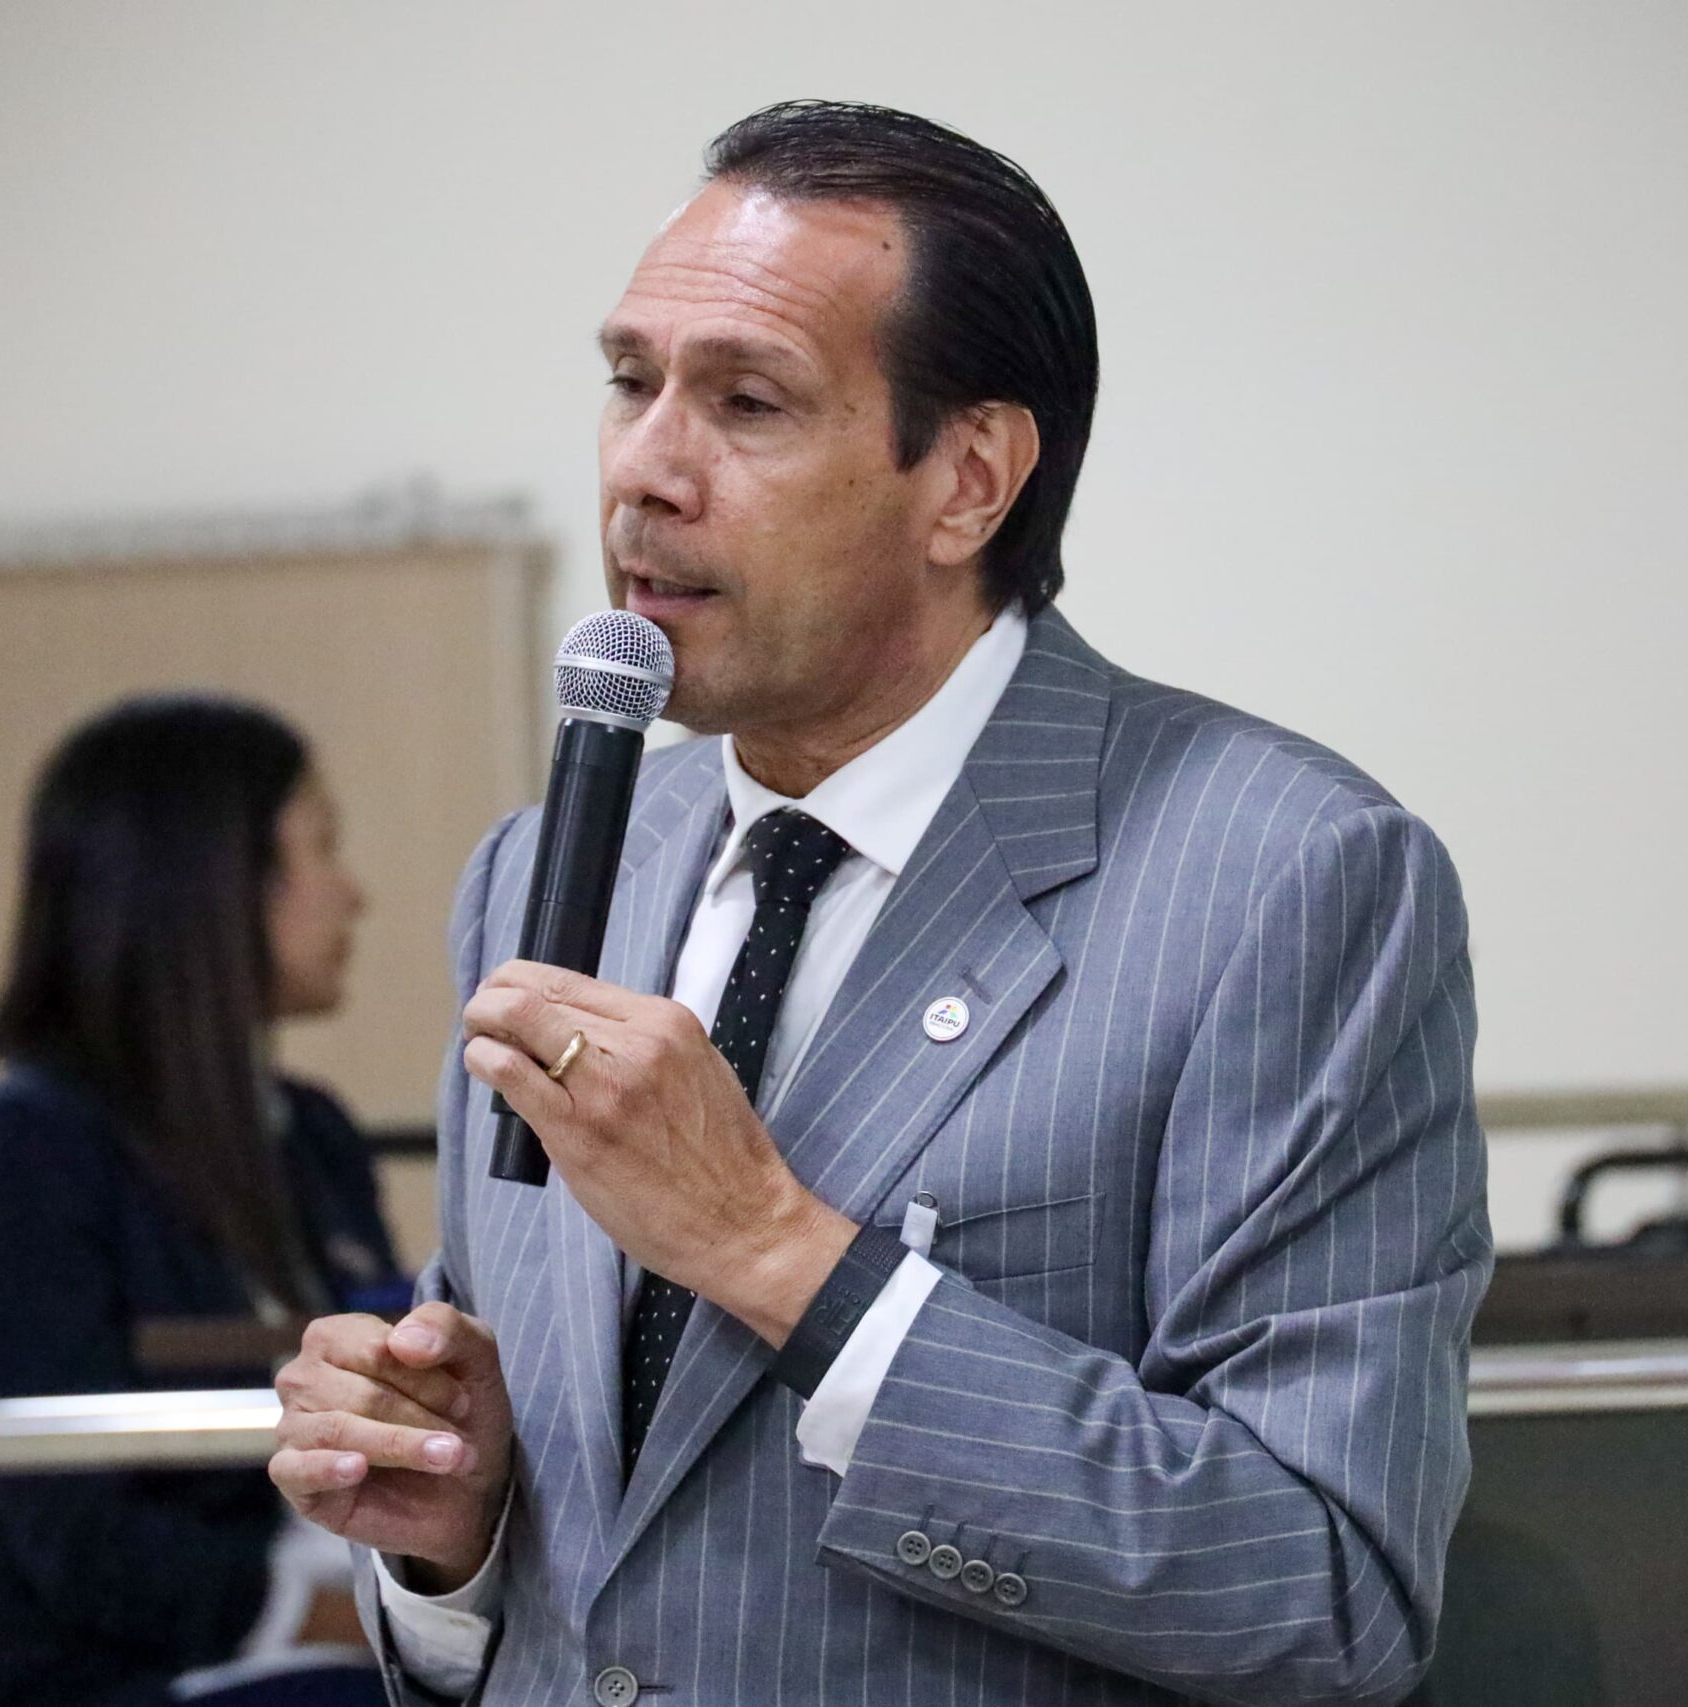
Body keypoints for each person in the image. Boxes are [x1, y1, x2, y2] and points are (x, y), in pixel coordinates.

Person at [271, 100, 1490, 1706]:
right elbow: (595, 1586)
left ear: (967, 478)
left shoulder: (1287, 876)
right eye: (631, 382)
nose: (646, 467)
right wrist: (453, 1539)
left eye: (747, 402)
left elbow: (1325, 1596)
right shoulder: (544, 867)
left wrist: (780, 1251)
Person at [0, 694, 403, 1707]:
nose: (353, 894)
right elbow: (73, 1538)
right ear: (212, 885)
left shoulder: (312, 1134)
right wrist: (320, 1614)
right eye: (322, 849)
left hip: (328, 1641)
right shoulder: (28, 1156)